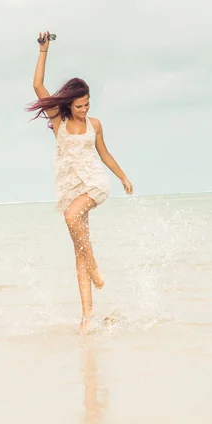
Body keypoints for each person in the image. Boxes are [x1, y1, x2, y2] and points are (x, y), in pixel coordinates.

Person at [27, 31, 133, 332]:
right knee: (78, 253)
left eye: (87, 104)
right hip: (69, 187)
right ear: (68, 105)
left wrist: (123, 177)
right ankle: (87, 317)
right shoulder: (58, 122)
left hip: (94, 183)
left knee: (72, 218)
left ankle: (96, 266)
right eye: (80, 106)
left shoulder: (94, 125)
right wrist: (43, 50)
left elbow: (105, 154)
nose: (85, 110)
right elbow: (37, 85)